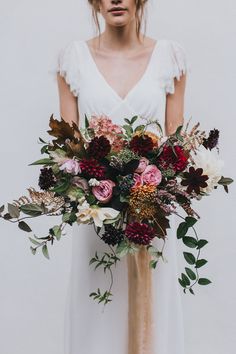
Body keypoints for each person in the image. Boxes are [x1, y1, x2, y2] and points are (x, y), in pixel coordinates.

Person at [54, 1, 190, 353]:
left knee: (154, 310)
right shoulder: (73, 60)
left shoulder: (169, 58)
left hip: (150, 215)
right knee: (97, 314)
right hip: (97, 217)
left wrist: (154, 189)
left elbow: (177, 150)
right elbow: (69, 150)